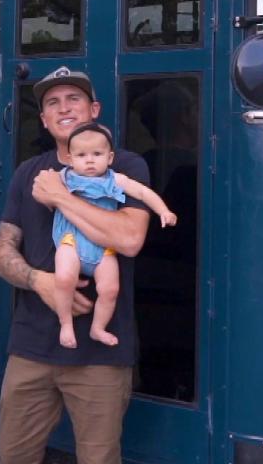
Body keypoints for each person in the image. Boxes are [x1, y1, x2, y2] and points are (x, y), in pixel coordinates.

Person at [0, 65, 151, 464]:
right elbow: (2, 252)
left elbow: (131, 239)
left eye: (74, 99)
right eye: (52, 103)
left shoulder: (125, 166)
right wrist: (40, 281)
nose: (64, 108)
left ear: (94, 110)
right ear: (43, 120)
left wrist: (62, 195)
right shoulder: (29, 172)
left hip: (100, 355)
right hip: (30, 348)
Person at [53, 121, 177, 350]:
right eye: (81, 155)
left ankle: (98, 328)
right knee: (63, 278)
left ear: (110, 158)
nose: (89, 160)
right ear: (70, 159)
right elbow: (44, 188)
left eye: (97, 154)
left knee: (110, 289)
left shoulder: (115, 179)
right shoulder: (64, 177)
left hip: (103, 247)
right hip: (71, 241)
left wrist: (163, 210)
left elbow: (142, 192)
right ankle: (66, 323)